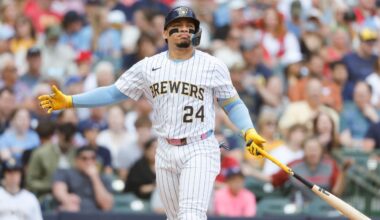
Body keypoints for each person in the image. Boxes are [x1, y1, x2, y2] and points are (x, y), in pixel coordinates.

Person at [38, 6, 266, 219]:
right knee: (175, 217)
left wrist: (249, 131)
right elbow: (113, 93)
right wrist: (70, 101)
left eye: (190, 26)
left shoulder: (213, 65)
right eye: (179, 25)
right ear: (165, 33)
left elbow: (233, 104)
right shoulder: (148, 66)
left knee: (191, 215)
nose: (185, 30)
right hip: (165, 148)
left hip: (200, 146)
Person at [52, 147, 113, 212]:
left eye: (93, 158)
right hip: (73, 213)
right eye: (84, 158)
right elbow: (59, 190)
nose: (89, 162)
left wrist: (95, 177)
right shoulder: (65, 173)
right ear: (76, 160)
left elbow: (106, 205)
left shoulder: (103, 178)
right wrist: (67, 199)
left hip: (96, 216)